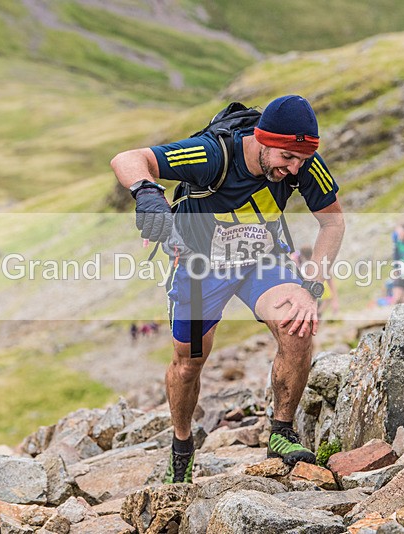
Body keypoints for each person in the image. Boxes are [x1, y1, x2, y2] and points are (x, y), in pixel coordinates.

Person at [111, 95, 345, 484]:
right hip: (200, 267)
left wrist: (311, 287)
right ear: (262, 139)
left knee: (296, 326)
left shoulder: (303, 161)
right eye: (287, 159)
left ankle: (282, 433)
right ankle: (182, 447)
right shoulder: (212, 155)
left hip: (261, 261)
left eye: (301, 161)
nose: (295, 170)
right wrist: (148, 193)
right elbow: (129, 158)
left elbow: (333, 223)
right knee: (189, 364)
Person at [293, 246, 339, 317]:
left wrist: (334, 301)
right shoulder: (295, 259)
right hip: (299, 285)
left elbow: (329, 279)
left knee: (325, 293)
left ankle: (318, 314)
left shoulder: (318, 261)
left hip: (315, 288)